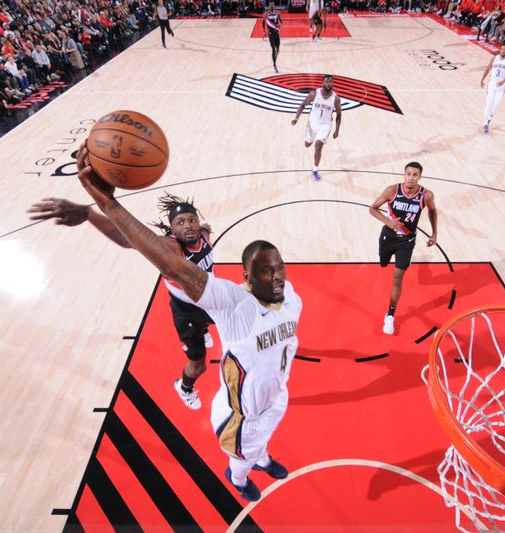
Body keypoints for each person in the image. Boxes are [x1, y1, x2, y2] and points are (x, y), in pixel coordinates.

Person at [72, 144, 301, 502]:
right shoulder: (215, 286)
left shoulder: (291, 299)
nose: (276, 277)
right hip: (198, 323)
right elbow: (162, 260)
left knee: (263, 431)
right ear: (245, 277)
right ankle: (237, 475)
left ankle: (261, 457)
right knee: (199, 365)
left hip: (272, 395)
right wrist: (104, 207)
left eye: (279, 267)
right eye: (264, 271)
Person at [27, 192, 218, 409]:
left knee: (212, 317)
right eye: (180, 222)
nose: (189, 225)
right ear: (172, 230)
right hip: (186, 311)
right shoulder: (170, 247)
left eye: (192, 219)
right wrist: (90, 215)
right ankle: (184, 387)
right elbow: (128, 240)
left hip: (206, 300)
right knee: (198, 366)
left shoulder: (204, 233)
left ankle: (204, 329)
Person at [369, 162, 438, 335]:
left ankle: (390, 314)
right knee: (383, 263)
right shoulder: (392, 190)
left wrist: (434, 232)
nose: (411, 178)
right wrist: (389, 223)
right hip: (388, 236)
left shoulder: (426, 195)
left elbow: (432, 211)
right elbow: (372, 209)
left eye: (415, 175)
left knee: (398, 276)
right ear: (404, 174)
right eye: (408, 174)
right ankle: (385, 259)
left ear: (420, 177)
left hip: (407, 241)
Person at [291, 74, 341, 182]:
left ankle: (315, 170)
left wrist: (337, 130)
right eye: (326, 82)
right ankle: (311, 138)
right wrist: (296, 118)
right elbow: (303, 105)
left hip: (325, 125)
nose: (328, 84)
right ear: (323, 83)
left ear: (332, 83)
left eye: (330, 82)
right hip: (313, 123)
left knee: (318, 146)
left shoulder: (336, 98)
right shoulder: (314, 93)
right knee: (307, 144)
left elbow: (339, 115)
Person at [480, 44, 505, 133]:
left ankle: (489, 117)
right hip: (492, 83)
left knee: (497, 104)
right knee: (489, 102)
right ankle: (485, 123)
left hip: (501, 84)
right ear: (500, 50)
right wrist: (482, 79)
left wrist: (503, 81)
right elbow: (488, 69)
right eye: (502, 49)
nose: (503, 50)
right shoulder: (494, 58)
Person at [262, 4, 282, 73]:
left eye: (273, 5)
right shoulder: (267, 13)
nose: (271, 6)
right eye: (270, 5)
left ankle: (274, 61)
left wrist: (281, 24)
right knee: (273, 49)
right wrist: (264, 31)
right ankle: (274, 66)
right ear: (269, 6)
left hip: (276, 32)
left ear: (274, 6)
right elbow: (263, 21)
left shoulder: (277, 12)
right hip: (270, 33)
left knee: (278, 49)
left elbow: (281, 21)